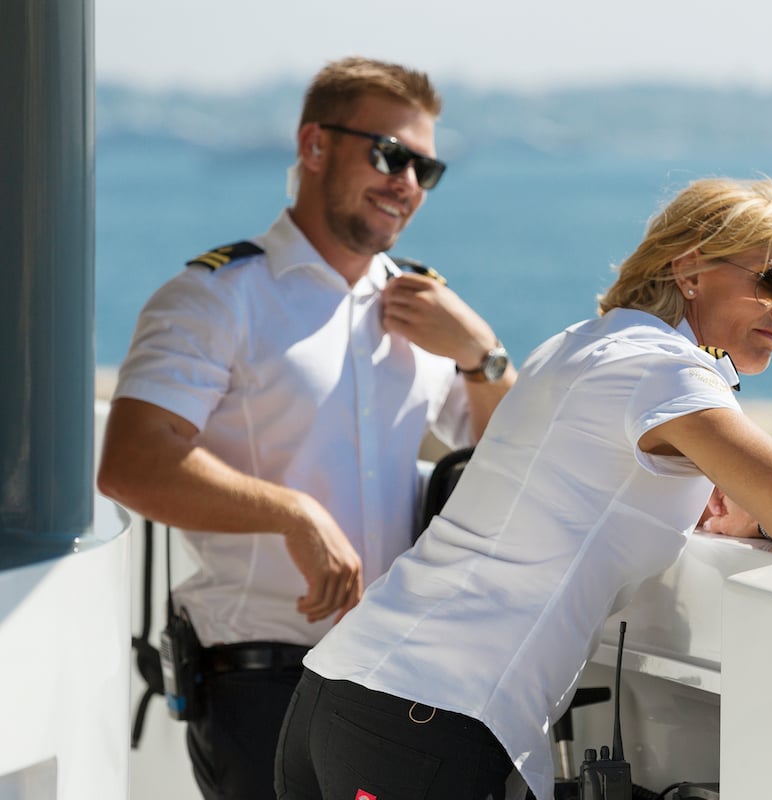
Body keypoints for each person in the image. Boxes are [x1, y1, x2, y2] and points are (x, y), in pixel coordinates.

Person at [274, 176, 772, 800]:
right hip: (427, 723)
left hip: (332, 691)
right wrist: (763, 516)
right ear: (690, 270)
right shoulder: (668, 371)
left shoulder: (578, 343)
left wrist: (736, 492)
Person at [96, 57, 516, 800]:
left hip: (385, 678)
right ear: (315, 146)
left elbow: (508, 458)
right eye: (390, 156)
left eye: (427, 168)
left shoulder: (423, 308)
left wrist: (482, 356)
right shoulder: (217, 298)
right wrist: (294, 513)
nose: (408, 184)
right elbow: (132, 463)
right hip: (259, 680)